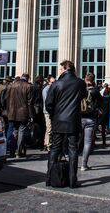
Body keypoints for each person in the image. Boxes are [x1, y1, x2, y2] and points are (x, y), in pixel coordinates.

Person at [45, 60, 87, 188]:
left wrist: (54, 116)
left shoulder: (57, 84)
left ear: (64, 68)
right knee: (73, 150)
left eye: (60, 69)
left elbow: (48, 104)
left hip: (58, 121)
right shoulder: (80, 83)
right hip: (73, 120)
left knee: (55, 149)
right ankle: (72, 180)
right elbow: (83, 96)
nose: (59, 71)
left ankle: (49, 178)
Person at [6, 73, 34, 158]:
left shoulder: (11, 85)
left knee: (14, 131)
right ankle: (19, 151)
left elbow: (6, 99)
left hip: (12, 112)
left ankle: (11, 152)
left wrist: (8, 111)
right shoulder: (28, 86)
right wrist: (31, 115)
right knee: (21, 131)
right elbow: (30, 102)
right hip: (23, 113)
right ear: (28, 78)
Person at [80, 72, 102, 170]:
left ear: (85, 78)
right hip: (91, 118)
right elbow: (101, 102)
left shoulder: (80, 90)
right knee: (87, 142)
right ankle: (84, 165)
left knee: (76, 140)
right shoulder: (95, 91)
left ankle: (72, 161)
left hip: (79, 117)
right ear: (93, 80)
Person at [42, 74, 55, 151]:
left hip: (53, 111)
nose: (53, 84)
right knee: (49, 128)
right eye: (52, 82)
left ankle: (48, 143)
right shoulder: (46, 90)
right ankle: (47, 144)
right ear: (48, 82)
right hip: (47, 112)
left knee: (51, 128)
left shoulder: (52, 89)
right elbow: (47, 102)